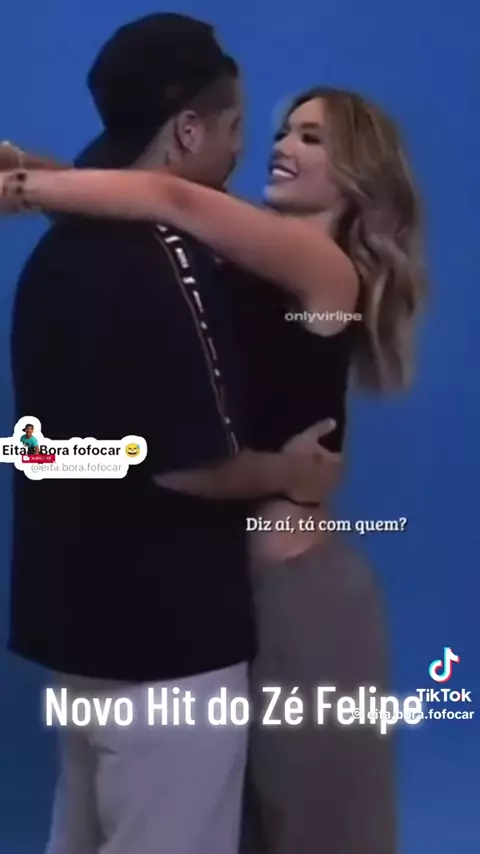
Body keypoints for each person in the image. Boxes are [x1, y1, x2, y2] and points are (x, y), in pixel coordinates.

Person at [1, 35, 426, 854]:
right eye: (282, 129)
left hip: (302, 598)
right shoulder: (234, 257)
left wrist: (21, 183)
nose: (281, 144)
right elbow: (141, 206)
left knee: (318, 831)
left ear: (356, 177)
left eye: (312, 137)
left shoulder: (324, 270)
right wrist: (31, 166)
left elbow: (168, 198)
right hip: (239, 593)